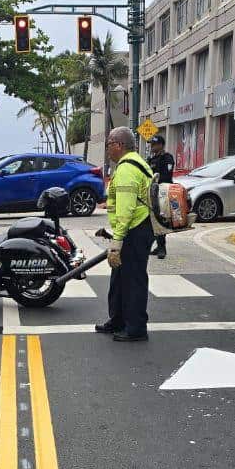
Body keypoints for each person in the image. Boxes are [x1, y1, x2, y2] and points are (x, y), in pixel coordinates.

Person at [95, 127, 153, 342]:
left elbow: (126, 210)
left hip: (135, 230)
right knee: (119, 278)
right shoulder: (132, 163)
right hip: (133, 228)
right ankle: (118, 320)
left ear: (119, 145)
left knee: (133, 280)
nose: (108, 149)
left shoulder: (128, 168)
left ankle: (136, 328)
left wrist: (117, 242)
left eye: (109, 144)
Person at [146, 134, 175, 259]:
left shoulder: (167, 158)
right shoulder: (151, 160)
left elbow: (167, 176)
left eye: (154, 144)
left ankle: (162, 247)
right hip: (152, 192)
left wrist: (156, 181)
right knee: (153, 219)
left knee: (161, 218)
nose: (152, 146)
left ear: (161, 145)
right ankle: (158, 246)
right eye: (151, 144)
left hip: (163, 192)